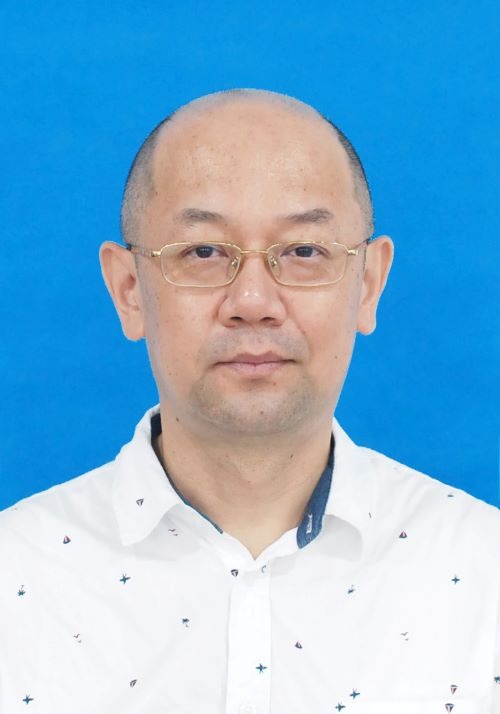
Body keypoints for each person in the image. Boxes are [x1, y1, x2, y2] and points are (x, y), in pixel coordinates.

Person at [1, 89, 498, 714]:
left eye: (304, 251)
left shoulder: (485, 574)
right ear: (128, 290)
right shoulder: (15, 576)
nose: (254, 302)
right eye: (204, 252)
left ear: (369, 284)